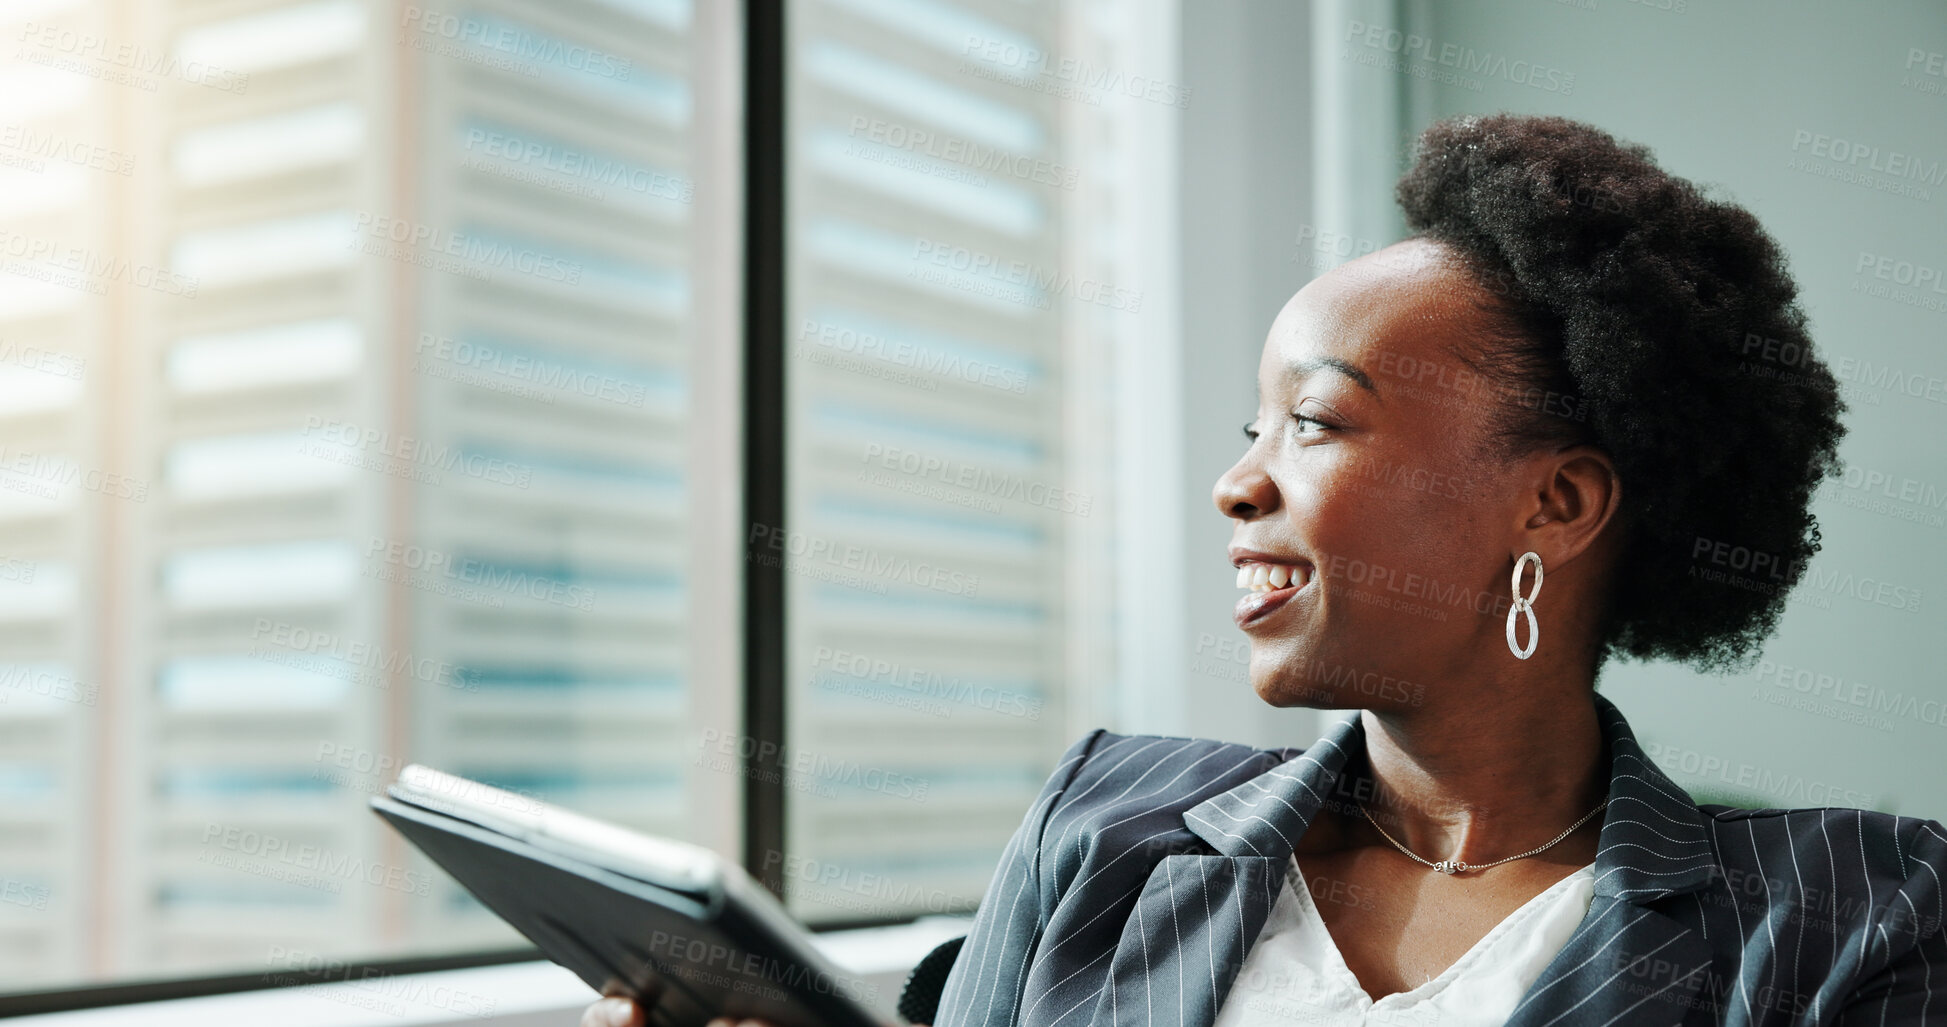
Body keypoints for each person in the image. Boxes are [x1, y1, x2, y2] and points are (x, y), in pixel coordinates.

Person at [584, 114, 1946, 1027]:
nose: (1239, 484)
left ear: (1559, 500)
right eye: (1253, 427)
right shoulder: (1104, 828)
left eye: (1318, 421)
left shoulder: (1848, 918)